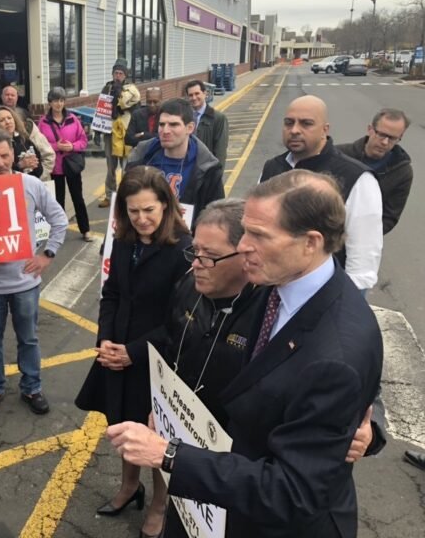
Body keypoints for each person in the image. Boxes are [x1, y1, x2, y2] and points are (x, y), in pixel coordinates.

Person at [108, 170, 384, 538]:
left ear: (310, 242)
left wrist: (169, 454)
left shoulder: (336, 350)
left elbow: (292, 492)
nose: (244, 246)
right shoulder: (278, 280)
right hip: (216, 488)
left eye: (259, 235)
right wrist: (171, 415)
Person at [75, 165, 191, 538]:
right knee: (122, 426)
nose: (141, 219)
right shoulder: (123, 240)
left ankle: (159, 504)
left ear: (165, 206)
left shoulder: (183, 251)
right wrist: (105, 341)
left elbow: (182, 320)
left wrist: (133, 352)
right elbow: (111, 294)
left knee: (154, 439)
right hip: (117, 353)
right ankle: (129, 487)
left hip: (156, 362)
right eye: (133, 210)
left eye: (149, 210)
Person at [0, 129, 67, 416]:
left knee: (28, 338)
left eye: (4, 155)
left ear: (13, 154)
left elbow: (59, 220)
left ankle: (32, 387)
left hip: (24, 280)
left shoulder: (30, 184)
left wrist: (47, 255)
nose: (0, 162)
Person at [260, 95, 383, 292]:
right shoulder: (272, 168)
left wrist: (344, 300)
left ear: (325, 129)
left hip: (324, 294)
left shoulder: (356, 178)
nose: (294, 130)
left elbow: (363, 255)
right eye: (289, 123)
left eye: (306, 123)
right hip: (272, 288)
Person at [127, 98, 224, 229]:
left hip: (184, 242)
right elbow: (123, 206)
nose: (165, 131)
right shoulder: (141, 157)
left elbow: (215, 219)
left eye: (173, 125)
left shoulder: (207, 169)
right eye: (161, 124)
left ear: (189, 128)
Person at [336, 108, 413, 235]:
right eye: (381, 134)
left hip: (362, 240)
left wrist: (364, 236)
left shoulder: (403, 172)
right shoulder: (339, 155)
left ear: (400, 137)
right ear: (370, 129)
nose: (385, 142)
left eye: (392, 138)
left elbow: (390, 217)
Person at [37, 87, 92, 242]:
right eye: (55, 100)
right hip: (55, 167)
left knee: (78, 199)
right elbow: (40, 145)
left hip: (71, 165)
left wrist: (72, 147)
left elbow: (83, 141)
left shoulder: (73, 119)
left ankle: (85, 229)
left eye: (61, 100)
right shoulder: (43, 123)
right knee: (57, 201)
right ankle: (58, 232)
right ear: (50, 102)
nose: (58, 104)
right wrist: (56, 147)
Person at [98, 59, 141, 207]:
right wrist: (97, 132)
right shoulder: (107, 88)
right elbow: (101, 110)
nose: (118, 76)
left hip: (125, 133)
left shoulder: (131, 91)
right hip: (110, 132)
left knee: (125, 166)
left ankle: (124, 196)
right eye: (116, 73)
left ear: (125, 75)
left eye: (121, 73)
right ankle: (110, 195)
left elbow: (137, 111)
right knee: (110, 166)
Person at [0, 105, 54, 181]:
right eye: (2, 120)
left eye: (9, 118)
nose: (8, 122)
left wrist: (34, 165)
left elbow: (39, 170)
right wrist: (19, 166)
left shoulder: (24, 140)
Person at [184, 80, 229, 166]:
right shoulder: (185, 117)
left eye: (197, 94)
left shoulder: (218, 118)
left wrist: (216, 175)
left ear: (205, 93)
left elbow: (220, 151)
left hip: (206, 170)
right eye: (190, 95)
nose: (194, 98)